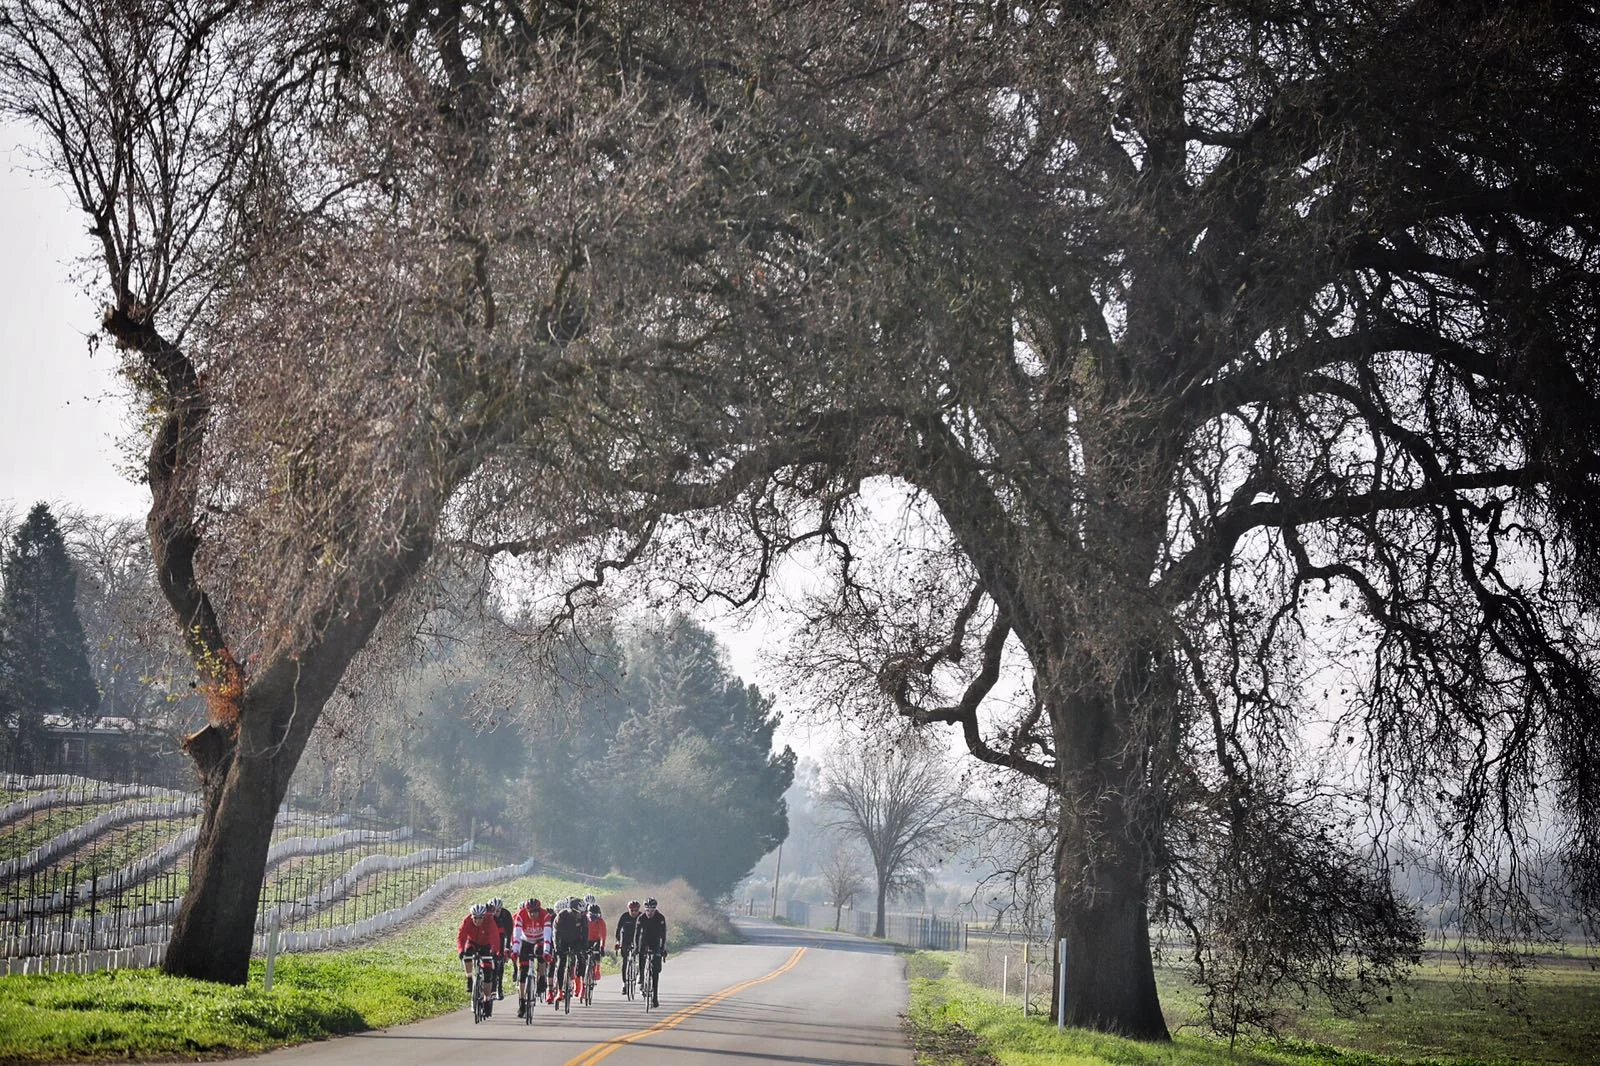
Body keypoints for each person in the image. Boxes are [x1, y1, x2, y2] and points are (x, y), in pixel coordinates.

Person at [456, 902, 503, 1017]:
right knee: (467, 954)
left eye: (480, 918)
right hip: (472, 942)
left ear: (484, 916)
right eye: (475, 918)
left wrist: (495, 952)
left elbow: (495, 937)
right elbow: (461, 937)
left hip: (485, 945)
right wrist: (461, 950)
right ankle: (469, 978)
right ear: (471, 916)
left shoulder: (489, 921)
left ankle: (487, 999)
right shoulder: (467, 921)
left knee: (487, 973)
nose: (477, 921)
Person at [512, 897, 549, 1018]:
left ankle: (542, 977)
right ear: (526, 911)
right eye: (531, 912)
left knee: (541, 952)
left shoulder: (545, 915)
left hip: (540, 940)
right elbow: (516, 936)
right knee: (523, 972)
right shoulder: (521, 915)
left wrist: (547, 951)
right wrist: (515, 950)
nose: (533, 914)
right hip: (526, 941)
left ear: (539, 910)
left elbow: (548, 936)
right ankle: (522, 1001)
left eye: (536, 911)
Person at [551, 896, 588, 1002]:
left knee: (581, 958)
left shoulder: (583, 918)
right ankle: (560, 990)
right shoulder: (562, 916)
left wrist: (584, 948)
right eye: (579, 913)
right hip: (563, 941)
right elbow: (555, 933)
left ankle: (579, 982)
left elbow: (585, 933)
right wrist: (557, 947)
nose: (581, 915)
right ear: (572, 911)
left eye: (583, 913)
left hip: (576, 941)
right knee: (561, 962)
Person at [636, 897, 668, 1008]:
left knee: (655, 971)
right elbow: (636, 934)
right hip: (644, 941)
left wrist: (662, 949)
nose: (649, 913)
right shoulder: (641, 918)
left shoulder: (660, 918)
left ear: (655, 909)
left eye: (652, 910)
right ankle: (641, 977)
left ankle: (655, 997)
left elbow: (663, 935)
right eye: (647, 910)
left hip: (655, 942)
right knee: (641, 954)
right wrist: (636, 947)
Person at [614, 899, 642, 991]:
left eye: (636, 910)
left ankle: (639, 972)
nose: (634, 912)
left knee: (641, 955)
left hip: (637, 939)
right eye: (632, 910)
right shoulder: (624, 916)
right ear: (628, 909)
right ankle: (624, 983)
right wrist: (618, 942)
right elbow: (618, 930)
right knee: (625, 961)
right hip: (625, 938)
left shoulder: (642, 916)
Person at [489, 897, 514, 999]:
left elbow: (509, 932)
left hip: (502, 937)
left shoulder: (506, 914)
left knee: (500, 960)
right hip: (490, 937)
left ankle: (499, 987)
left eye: (498, 911)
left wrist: (507, 947)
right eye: (494, 911)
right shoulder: (488, 915)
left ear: (501, 909)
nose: (495, 913)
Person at [585, 904, 608, 991]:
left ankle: (597, 968)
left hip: (596, 940)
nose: (593, 917)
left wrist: (602, 947)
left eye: (596, 915)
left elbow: (603, 935)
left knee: (597, 953)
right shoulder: (584, 919)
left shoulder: (600, 921)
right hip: (585, 939)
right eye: (591, 915)